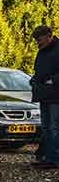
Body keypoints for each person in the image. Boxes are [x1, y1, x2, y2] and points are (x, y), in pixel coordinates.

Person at [31, 25, 59, 168]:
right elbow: (38, 70)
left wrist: (53, 80)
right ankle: (47, 157)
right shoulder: (42, 51)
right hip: (43, 94)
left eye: (40, 40)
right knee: (46, 127)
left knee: (54, 127)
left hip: (55, 96)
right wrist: (34, 79)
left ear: (49, 36)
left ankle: (54, 159)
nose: (38, 43)